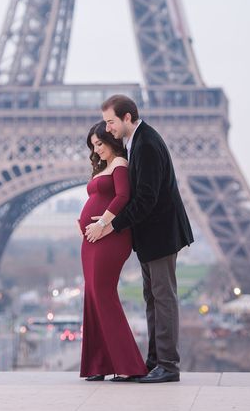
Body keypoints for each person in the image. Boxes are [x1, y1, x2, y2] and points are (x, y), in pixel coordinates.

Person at [85, 94, 194, 383]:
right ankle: (155, 360)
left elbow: (145, 198)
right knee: (153, 298)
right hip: (151, 236)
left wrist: (111, 225)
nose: (107, 129)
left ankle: (168, 365)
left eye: (111, 122)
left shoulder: (145, 144)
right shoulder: (137, 143)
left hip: (160, 235)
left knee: (163, 298)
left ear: (127, 118)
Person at [78, 121, 147, 382]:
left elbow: (122, 197)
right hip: (91, 240)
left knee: (104, 296)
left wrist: (102, 223)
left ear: (112, 141)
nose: (97, 150)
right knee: (93, 297)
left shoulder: (120, 164)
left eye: (100, 143)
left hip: (109, 237)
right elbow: (95, 199)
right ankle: (99, 365)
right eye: (93, 146)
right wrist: (82, 224)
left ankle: (128, 365)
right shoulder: (102, 167)